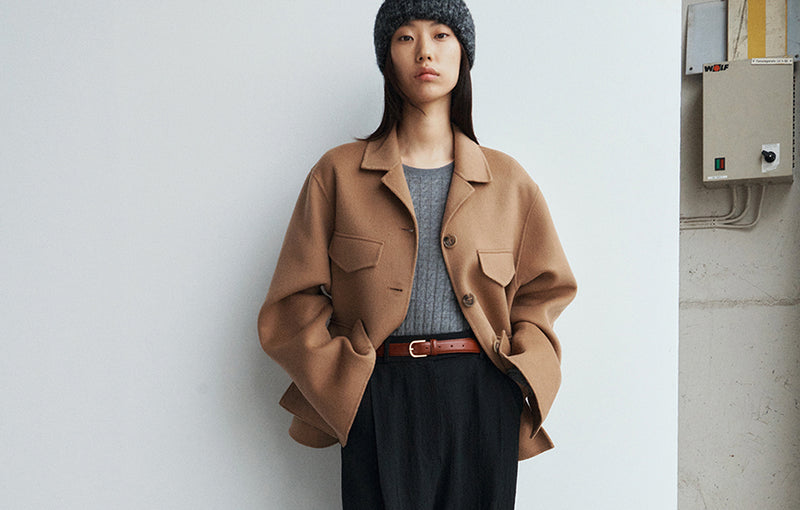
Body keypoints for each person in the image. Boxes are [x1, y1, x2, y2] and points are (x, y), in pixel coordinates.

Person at [257, 1, 577, 508]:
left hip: (481, 397)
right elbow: (291, 302)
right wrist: (341, 381)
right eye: (405, 37)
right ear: (387, 57)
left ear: (463, 53)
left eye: (442, 35)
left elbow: (545, 291)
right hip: (377, 393)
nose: (425, 51)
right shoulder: (337, 175)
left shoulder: (509, 182)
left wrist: (523, 372)